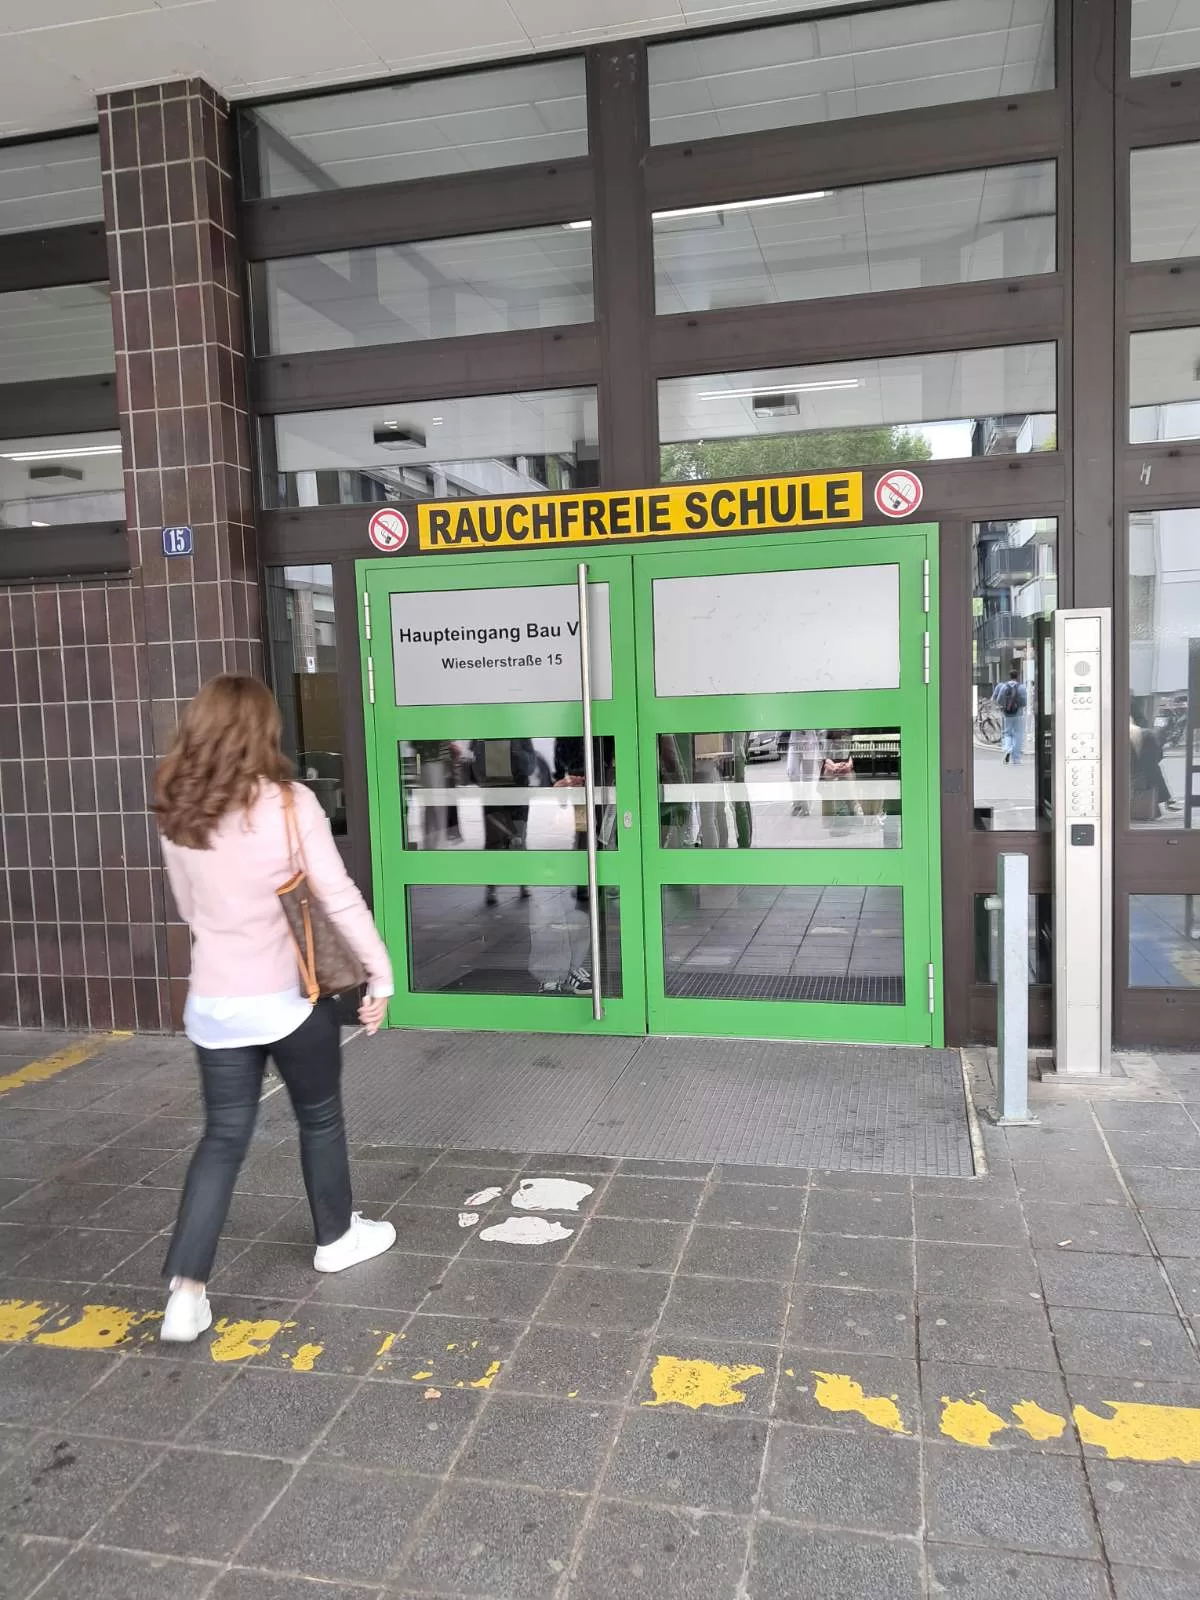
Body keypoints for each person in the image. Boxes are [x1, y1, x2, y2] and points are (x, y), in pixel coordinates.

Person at [153, 675, 396, 1344]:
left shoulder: (178, 810)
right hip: (290, 999)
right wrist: (379, 976)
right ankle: (336, 1238)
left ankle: (186, 1294)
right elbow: (337, 896)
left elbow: (189, 910)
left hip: (214, 1004)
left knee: (222, 1138)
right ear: (263, 730)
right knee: (319, 1119)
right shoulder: (291, 804)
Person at [992, 666, 1028, 765]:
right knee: (1018, 734)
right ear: (1018, 676)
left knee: (1007, 733)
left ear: (1009, 676)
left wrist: (1004, 707)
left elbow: (998, 699)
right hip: (1018, 714)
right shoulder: (1022, 687)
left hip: (1006, 714)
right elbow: (1024, 702)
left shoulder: (1004, 686)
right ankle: (1016, 758)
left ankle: (1007, 749)